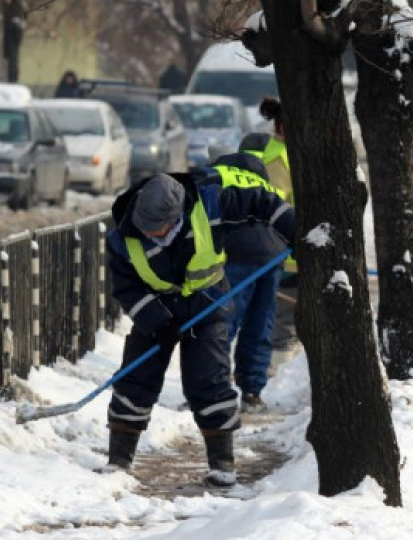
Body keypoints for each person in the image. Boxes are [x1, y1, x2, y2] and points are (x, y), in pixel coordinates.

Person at [102, 169, 296, 487]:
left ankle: (222, 463)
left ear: (177, 214)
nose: (151, 234)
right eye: (146, 229)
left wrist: (294, 232)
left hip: (207, 303)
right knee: (135, 379)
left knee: (210, 380)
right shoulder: (122, 238)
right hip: (157, 309)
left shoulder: (212, 203)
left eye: (158, 229)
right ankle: (119, 460)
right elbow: (127, 289)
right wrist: (156, 321)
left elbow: (262, 202)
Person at [208, 152, 288, 413]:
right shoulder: (263, 183)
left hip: (236, 254)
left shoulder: (218, 179)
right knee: (259, 325)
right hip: (272, 255)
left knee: (223, 324)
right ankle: (252, 392)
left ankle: (213, 391)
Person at [246, 97, 298, 361]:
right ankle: (275, 379)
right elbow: (272, 212)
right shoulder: (279, 159)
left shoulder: (288, 154)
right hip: (286, 258)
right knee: (281, 328)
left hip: (291, 255)